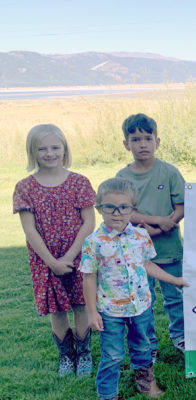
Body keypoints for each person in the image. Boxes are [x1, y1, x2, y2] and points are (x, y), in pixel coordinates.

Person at [81, 178, 188, 399]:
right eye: (110, 207)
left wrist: (174, 279)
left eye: (123, 207)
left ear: (133, 209)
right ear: (99, 208)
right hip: (110, 312)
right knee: (113, 355)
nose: (117, 213)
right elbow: (88, 277)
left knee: (143, 347)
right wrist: (92, 312)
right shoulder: (93, 242)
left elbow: (147, 264)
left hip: (141, 307)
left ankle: (146, 384)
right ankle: (108, 394)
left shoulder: (141, 236)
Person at [13, 124, 96, 377]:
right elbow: (29, 230)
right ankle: (66, 356)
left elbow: (89, 223)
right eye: (42, 149)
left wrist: (69, 257)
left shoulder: (79, 182)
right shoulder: (25, 187)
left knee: (81, 303)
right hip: (45, 259)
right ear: (32, 152)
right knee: (57, 307)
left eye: (55, 147)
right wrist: (52, 262)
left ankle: (84, 354)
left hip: (78, 254)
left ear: (64, 149)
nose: (49, 153)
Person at [116, 113, 186, 357]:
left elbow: (181, 207)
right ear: (126, 144)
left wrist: (163, 227)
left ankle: (181, 336)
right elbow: (125, 211)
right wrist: (157, 223)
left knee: (175, 296)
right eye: (135, 140)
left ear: (158, 142)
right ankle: (147, 345)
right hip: (136, 253)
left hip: (169, 249)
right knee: (143, 300)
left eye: (148, 138)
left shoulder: (169, 173)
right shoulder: (122, 178)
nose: (142, 144)